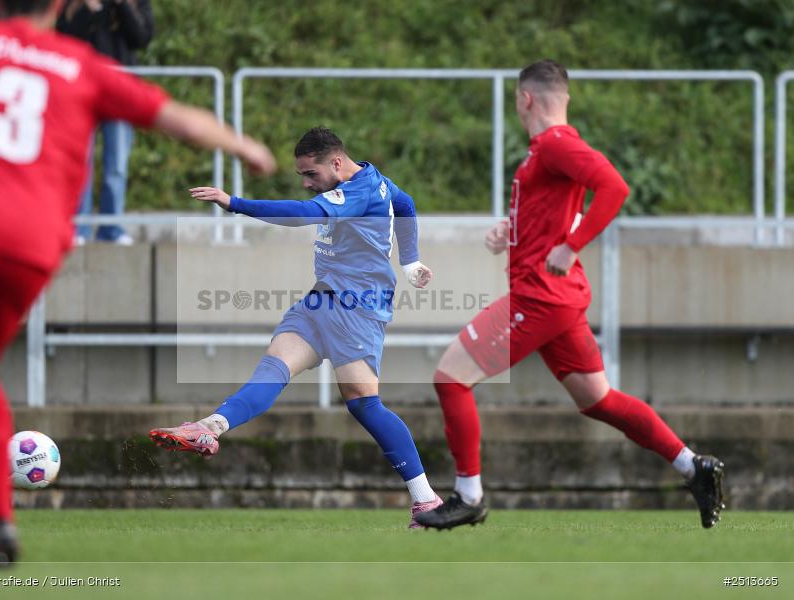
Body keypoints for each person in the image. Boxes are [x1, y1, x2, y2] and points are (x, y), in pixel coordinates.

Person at [0, 0, 275, 565]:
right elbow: (177, 118)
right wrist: (243, 146)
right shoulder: (81, 64)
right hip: (33, 246)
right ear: (57, 5)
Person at [415, 60, 725, 530]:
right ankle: (692, 466)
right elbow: (556, 211)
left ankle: (469, 496)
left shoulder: (556, 144)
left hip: (540, 298)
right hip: (557, 297)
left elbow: (614, 188)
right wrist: (513, 230)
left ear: (525, 99)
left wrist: (572, 244)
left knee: (451, 378)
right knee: (598, 399)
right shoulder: (547, 150)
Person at [150, 127, 444, 528]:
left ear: (336, 163)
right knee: (274, 366)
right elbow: (405, 204)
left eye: (312, 174)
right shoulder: (378, 184)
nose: (307, 184)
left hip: (357, 309)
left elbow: (303, 214)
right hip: (322, 300)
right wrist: (410, 262)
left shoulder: (359, 191)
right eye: (302, 177)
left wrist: (234, 203)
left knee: (364, 404)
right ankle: (209, 427)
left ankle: (425, 500)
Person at [58, 0, 153, 245]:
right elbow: (64, 36)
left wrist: (122, 6)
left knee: (117, 165)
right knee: (81, 162)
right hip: (82, 89)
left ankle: (111, 228)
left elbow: (141, 38)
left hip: (120, 91)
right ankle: (80, 227)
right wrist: (90, 10)